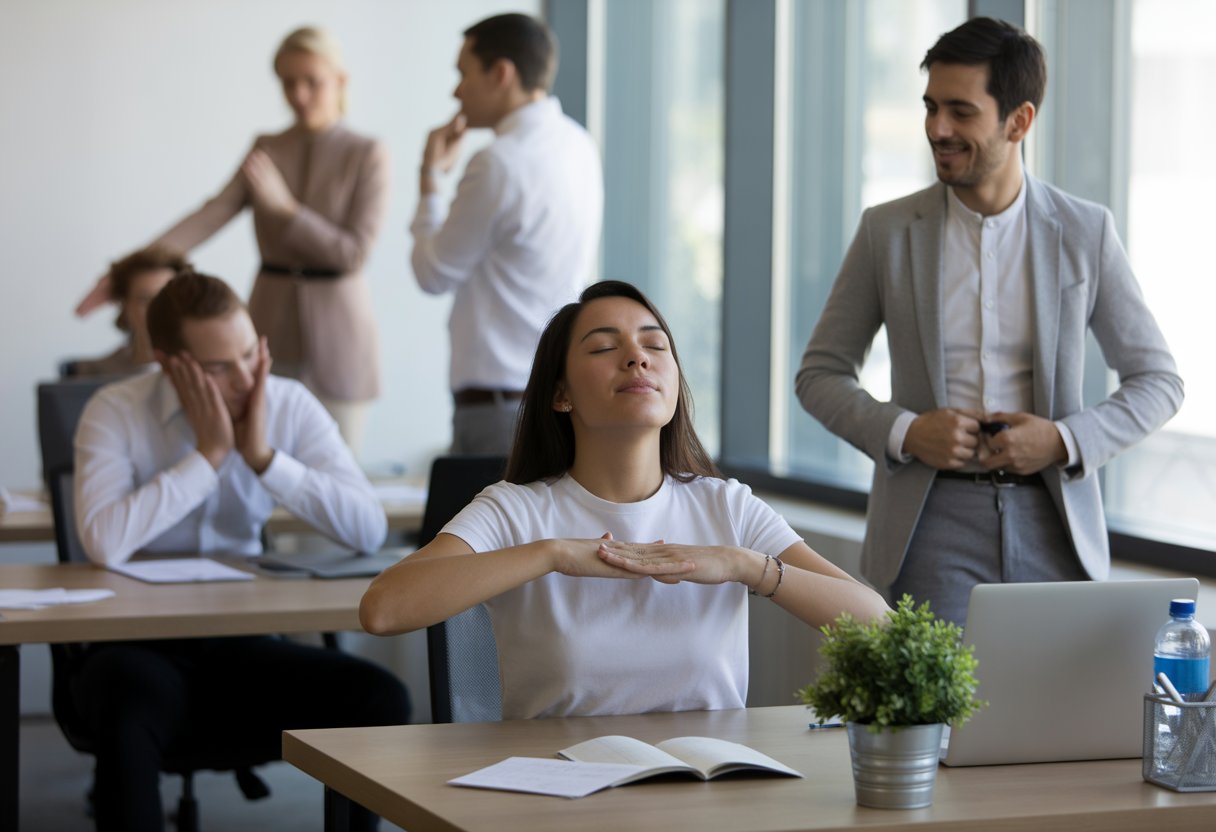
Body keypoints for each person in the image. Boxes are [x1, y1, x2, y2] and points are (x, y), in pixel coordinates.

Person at [795, 17, 1183, 625]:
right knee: (937, 720)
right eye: (929, 108)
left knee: (1057, 718)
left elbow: (1159, 380)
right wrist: (905, 431)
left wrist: (1062, 440)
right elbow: (819, 374)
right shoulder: (887, 231)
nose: (936, 129)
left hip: (1055, 521)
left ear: (1018, 120)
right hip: (928, 524)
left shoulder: (1085, 232)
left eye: (960, 111)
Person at [361, 281, 888, 720]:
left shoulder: (727, 508)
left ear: (676, 384)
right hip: (558, 796)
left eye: (655, 346)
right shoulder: (515, 510)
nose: (637, 358)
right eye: (603, 348)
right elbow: (383, 609)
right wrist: (554, 554)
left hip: (705, 792)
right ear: (561, 394)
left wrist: (742, 565)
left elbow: (881, 625)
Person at [73, 272, 409, 832]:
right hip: (138, 649)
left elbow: (367, 528)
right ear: (168, 361)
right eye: (218, 367)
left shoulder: (286, 403)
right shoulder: (115, 410)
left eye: (251, 353)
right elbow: (103, 540)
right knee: (128, 701)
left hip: (245, 642)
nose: (245, 377)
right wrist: (207, 456)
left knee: (380, 699)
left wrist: (263, 457)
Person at [75, 26, 387, 453]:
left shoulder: (368, 152)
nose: (299, 94)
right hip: (267, 324)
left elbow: (353, 252)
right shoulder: (267, 148)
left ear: (340, 80)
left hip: (342, 335)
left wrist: (286, 210)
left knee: (337, 464)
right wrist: (127, 271)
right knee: (255, 457)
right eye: (288, 82)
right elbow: (211, 214)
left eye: (311, 81)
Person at [410, 12, 603, 455]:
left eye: (463, 73)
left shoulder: (498, 161)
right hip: (556, 395)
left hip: (496, 409)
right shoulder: (579, 145)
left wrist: (429, 179)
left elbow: (432, 273)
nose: (455, 91)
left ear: (501, 73)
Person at [70, 246, 189, 377]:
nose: (159, 309)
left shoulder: (207, 370)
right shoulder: (89, 374)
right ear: (125, 306)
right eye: (145, 299)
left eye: (168, 298)